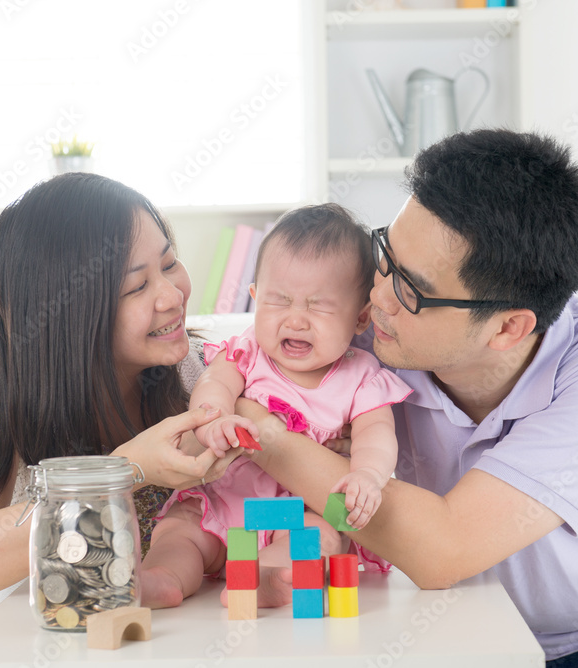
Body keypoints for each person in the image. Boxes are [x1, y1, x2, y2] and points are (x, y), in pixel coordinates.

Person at [237, 130, 578, 666]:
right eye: (385, 255)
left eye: (410, 287)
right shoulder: (369, 339)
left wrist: (265, 438)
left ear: (507, 328)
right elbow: (236, 369)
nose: (377, 296)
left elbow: (441, 550)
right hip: (476, 621)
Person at [0, 173, 238, 657]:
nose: (172, 295)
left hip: (132, 641)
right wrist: (122, 472)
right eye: (137, 286)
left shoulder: (200, 372)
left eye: (170, 263)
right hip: (7, 644)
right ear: (73, 312)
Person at [141, 204, 412, 609]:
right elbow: (214, 384)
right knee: (181, 531)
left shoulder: (362, 377)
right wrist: (214, 420)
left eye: (318, 305)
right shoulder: (247, 352)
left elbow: (377, 433)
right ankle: (162, 579)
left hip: (294, 513)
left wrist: (368, 475)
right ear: (254, 298)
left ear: (360, 319)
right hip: (223, 501)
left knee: (320, 537)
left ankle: (264, 579)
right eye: (279, 301)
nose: (296, 320)